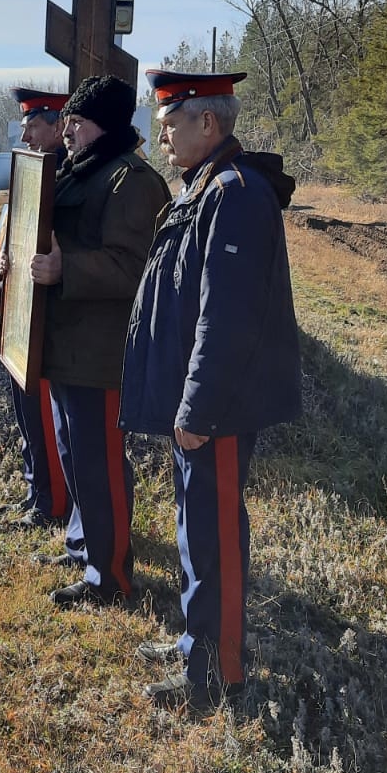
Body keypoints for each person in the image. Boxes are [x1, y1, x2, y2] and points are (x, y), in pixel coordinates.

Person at [120, 69, 302, 707]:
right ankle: (196, 642)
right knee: (195, 528)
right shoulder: (201, 189)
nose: (161, 137)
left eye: (170, 124)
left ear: (209, 122)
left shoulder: (236, 193)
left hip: (217, 407)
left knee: (215, 534)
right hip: (195, 403)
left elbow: (226, 319)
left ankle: (216, 675)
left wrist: (198, 406)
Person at [27, 75, 170, 607]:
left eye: (77, 123)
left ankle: (109, 580)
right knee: (74, 454)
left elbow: (135, 268)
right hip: (65, 345)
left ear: (104, 126)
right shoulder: (81, 171)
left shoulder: (131, 182)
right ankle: (83, 545)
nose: (66, 132)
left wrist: (68, 270)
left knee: (101, 463)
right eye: (65, 122)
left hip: (101, 352)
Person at [0, 89, 73, 541]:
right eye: (25, 124)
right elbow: (13, 242)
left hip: (46, 325)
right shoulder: (31, 174)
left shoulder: (63, 180)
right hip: (18, 316)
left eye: (35, 124)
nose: (27, 132)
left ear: (57, 126)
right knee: (25, 413)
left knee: (42, 416)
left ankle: (53, 501)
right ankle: (37, 490)